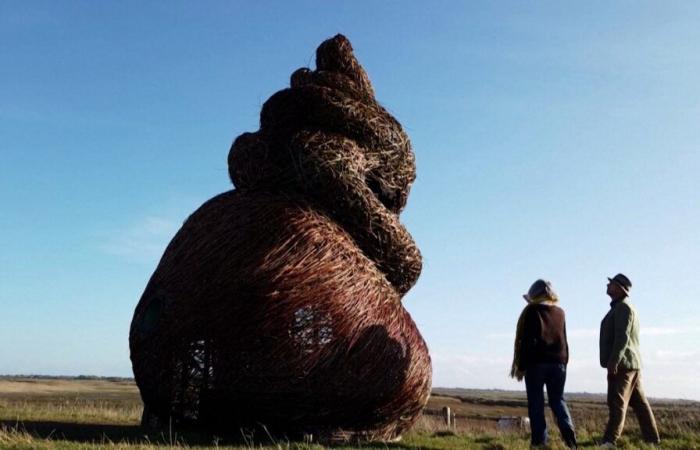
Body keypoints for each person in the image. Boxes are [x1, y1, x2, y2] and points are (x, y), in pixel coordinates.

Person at [511, 279, 577, 448]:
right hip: (559, 363)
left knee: (536, 403)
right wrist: (565, 361)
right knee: (558, 400)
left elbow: (527, 341)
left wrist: (522, 365)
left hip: (537, 363)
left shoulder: (531, 312)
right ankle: (570, 438)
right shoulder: (561, 313)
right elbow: (564, 339)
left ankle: (539, 442)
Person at [598, 273, 660, 447]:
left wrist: (614, 362)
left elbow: (622, 338)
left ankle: (609, 441)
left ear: (619, 288)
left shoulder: (623, 308)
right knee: (640, 403)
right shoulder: (622, 307)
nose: (608, 285)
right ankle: (652, 440)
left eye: (611, 283)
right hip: (631, 363)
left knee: (617, 402)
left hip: (623, 364)